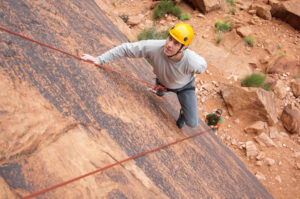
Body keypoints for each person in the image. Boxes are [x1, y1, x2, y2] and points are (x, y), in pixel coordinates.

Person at [81, 23, 207, 129]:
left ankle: (183, 112)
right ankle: (162, 88)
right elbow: (126, 49)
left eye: (176, 43)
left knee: (192, 123)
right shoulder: (154, 47)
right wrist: (100, 60)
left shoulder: (192, 61)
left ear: (183, 48)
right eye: (170, 38)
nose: (169, 45)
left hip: (184, 87)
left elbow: (202, 66)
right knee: (159, 94)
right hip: (163, 82)